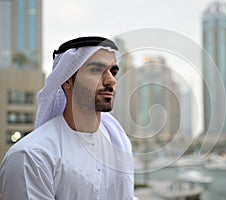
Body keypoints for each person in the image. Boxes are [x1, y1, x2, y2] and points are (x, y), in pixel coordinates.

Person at [0, 36, 138, 200]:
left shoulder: (118, 142)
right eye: (96, 70)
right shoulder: (31, 157)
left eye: (113, 72)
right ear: (66, 80)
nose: (111, 80)